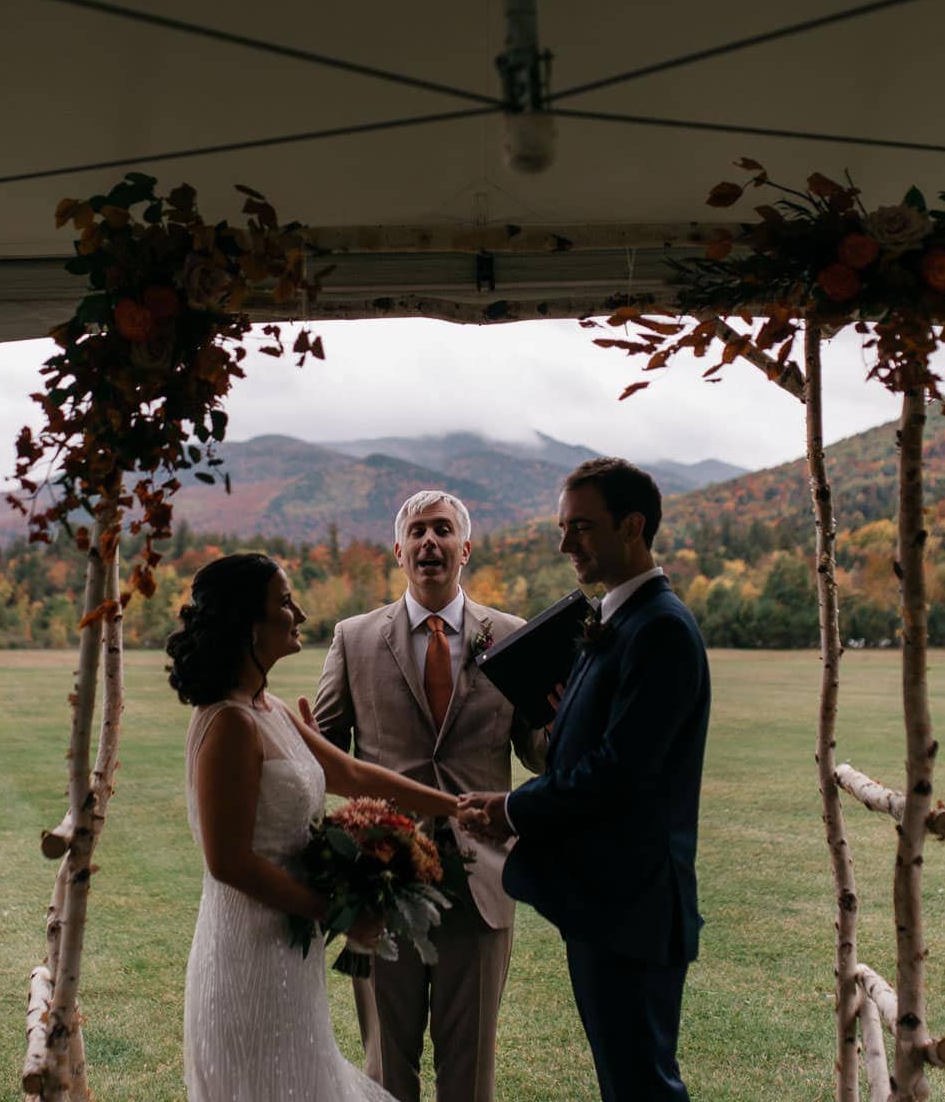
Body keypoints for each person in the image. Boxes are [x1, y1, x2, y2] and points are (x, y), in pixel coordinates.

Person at [458, 458, 711, 1102]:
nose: (566, 543)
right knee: (624, 1080)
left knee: (642, 1086)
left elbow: (617, 773)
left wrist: (511, 808)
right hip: (604, 901)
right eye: (562, 527)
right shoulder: (618, 619)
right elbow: (586, 746)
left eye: (581, 528)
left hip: (634, 902)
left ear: (632, 527)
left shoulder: (659, 628)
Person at [172, 552, 461, 1102]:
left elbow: (350, 774)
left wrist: (456, 806)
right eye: (284, 602)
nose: (299, 613)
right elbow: (227, 861)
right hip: (246, 952)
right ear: (249, 625)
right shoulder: (230, 723)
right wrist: (337, 910)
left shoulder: (267, 709)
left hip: (289, 949)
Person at [314, 491, 550, 1102]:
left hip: (483, 880)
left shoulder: (512, 637)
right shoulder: (355, 638)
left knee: (469, 1070)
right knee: (386, 1065)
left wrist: (570, 707)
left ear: (464, 548)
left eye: (442, 530)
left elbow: (539, 752)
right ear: (399, 550)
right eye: (416, 532)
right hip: (381, 881)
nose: (429, 542)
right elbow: (324, 758)